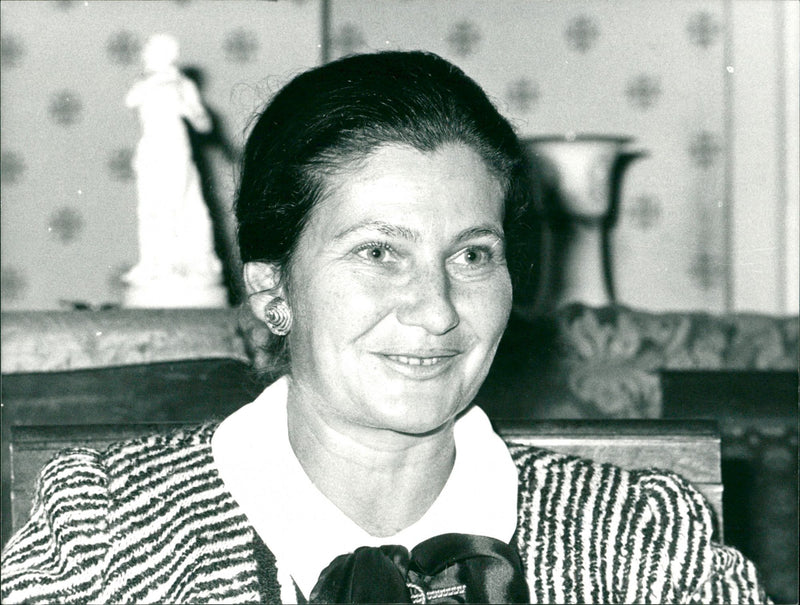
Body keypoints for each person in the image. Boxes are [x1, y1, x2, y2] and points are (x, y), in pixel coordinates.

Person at [1, 51, 768, 604]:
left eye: (472, 254)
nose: (436, 308)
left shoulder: (645, 543)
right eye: (378, 252)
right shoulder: (103, 535)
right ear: (272, 286)